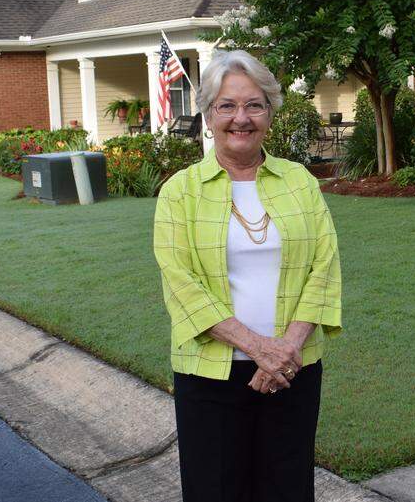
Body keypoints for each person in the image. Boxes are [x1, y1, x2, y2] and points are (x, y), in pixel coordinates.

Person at [153, 49, 343, 502]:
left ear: (270, 113)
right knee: (216, 491)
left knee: (288, 489)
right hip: (210, 378)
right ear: (208, 115)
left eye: (254, 105)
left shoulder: (299, 181)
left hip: (293, 371)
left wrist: (286, 350)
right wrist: (260, 349)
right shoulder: (180, 192)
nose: (241, 118)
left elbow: (324, 266)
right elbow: (182, 285)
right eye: (227, 106)